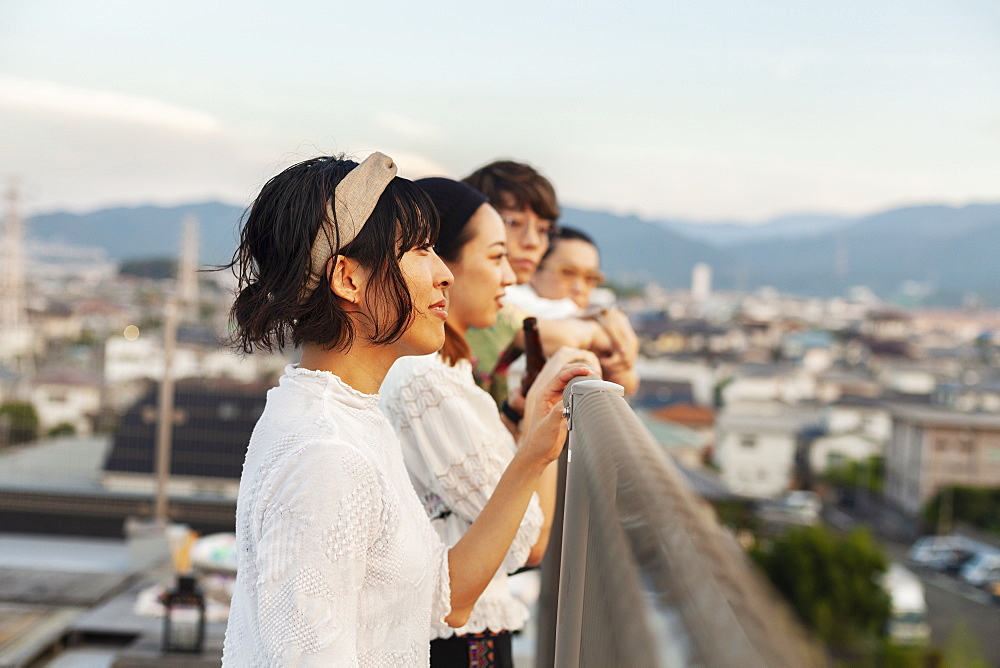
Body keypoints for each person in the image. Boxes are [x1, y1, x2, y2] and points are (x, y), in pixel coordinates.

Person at [221, 154, 592, 666]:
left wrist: (532, 453)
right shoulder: (326, 453)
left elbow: (441, 599)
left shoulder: (345, 415)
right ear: (347, 279)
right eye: (419, 251)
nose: (443, 274)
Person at [379, 178, 599, 667]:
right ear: (440, 263)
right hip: (454, 642)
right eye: (495, 256)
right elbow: (530, 541)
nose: (510, 279)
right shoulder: (426, 380)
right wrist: (540, 422)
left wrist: (523, 419)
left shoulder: (446, 373)